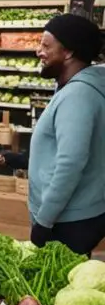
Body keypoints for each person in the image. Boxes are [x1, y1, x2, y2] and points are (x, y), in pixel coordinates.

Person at [26, 14, 105, 255]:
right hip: (79, 212)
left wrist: (44, 220)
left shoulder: (78, 95)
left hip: (69, 219)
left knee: (54, 287)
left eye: (46, 45)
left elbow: (71, 162)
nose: (39, 51)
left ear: (68, 52)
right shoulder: (81, 87)